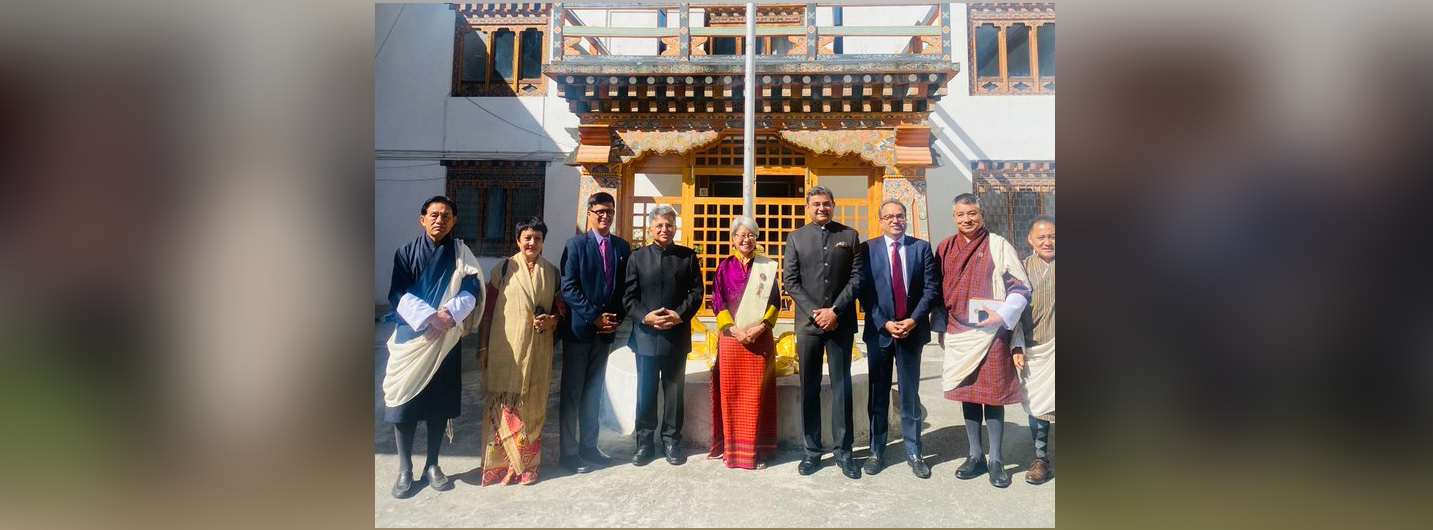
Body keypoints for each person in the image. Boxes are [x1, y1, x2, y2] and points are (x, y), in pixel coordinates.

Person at [381, 196, 485, 498]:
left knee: (438, 405)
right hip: (412, 337)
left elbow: (471, 287)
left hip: (445, 338)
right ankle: (405, 469)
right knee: (403, 404)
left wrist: (448, 315)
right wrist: (429, 317)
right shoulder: (405, 254)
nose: (440, 220)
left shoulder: (461, 254)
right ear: (422, 219)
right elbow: (397, 293)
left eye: (446, 216)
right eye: (434, 215)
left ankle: (433, 464)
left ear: (453, 221)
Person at [934, 193, 1031, 488]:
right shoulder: (945, 248)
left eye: (972, 213)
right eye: (961, 215)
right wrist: (940, 328)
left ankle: (997, 459)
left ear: (982, 215)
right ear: (954, 217)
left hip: (992, 333)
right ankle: (975, 455)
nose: (967, 219)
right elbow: (936, 292)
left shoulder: (998, 245)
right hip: (958, 331)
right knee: (968, 394)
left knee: (993, 395)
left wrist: (1002, 314)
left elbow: (1021, 287)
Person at [783, 185, 865, 479]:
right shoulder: (796, 238)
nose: (821, 208)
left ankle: (845, 452)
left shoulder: (849, 235)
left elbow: (857, 278)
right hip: (808, 325)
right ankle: (811, 451)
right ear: (807, 207)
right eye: (816, 204)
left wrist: (836, 311)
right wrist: (817, 314)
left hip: (840, 323)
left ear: (834, 204)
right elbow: (790, 281)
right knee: (810, 387)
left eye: (826, 203)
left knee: (842, 387)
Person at [476, 217, 564, 486]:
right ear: (518, 240)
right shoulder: (503, 269)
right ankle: (500, 468)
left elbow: (560, 309)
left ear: (543, 242)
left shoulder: (552, 272)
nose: (532, 243)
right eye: (527, 238)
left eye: (537, 239)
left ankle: (526, 467)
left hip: (538, 349)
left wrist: (553, 321)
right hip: (506, 350)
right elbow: (487, 312)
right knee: (503, 408)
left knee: (532, 406)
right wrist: (482, 346)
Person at [857, 199, 941, 479]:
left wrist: (913, 320)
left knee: (909, 394)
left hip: (911, 332)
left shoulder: (921, 248)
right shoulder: (867, 249)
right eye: (889, 216)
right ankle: (876, 450)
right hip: (880, 333)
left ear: (906, 219)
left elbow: (931, 289)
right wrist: (885, 322)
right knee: (879, 394)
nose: (895, 220)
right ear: (880, 220)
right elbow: (865, 291)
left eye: (900, 216)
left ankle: (915, 451)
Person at [623, 206, 704, 466]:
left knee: (674, 391)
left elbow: (696, 293)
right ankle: (644, 443)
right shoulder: (637, 257)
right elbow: (629, 296)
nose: (664, 230)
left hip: (676, 335)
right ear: (649, 229)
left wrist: (679, 315)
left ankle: (671, 441)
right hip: (645, 336)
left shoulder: (687, 257)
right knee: (645, 392)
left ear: (675, 227)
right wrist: (646, 317)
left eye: (669, 225)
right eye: (659, 225)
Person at [557, 192, 631, 473]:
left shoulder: (622, 248)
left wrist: (616, 320)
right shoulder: (575, 245)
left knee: (594, 392)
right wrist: (594, 317)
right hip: (579, 332)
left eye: (609, 212)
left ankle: (590, 446)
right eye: (600, 211)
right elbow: (569, 288)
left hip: (606, 333)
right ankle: (569, 452)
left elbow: (626, 288)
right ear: (589, 213)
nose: (605, 216)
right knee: (572, 393)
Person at [708, 216, 781, 470]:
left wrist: (760, 328)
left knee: (758, 395)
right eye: (740, 234)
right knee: (732, 395)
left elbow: (775, 301)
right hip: (731, 340)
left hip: (760, 340)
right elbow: (717, 301)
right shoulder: (723, 268)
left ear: (756, 238)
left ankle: (758, 451)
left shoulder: (766, 268)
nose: (745, 239)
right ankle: (732, 450)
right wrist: (735, 330)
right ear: (733, 239)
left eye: (750, 234)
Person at [1015, 214, 1055, 485]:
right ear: (1030, 240)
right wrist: (1016, 345)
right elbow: (1013, 313)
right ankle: (1041, 459)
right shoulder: (1021, 270)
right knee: (1038, 406)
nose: (1047, 241)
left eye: (1052, 236)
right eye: (1041, 237)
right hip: (1035, 348)